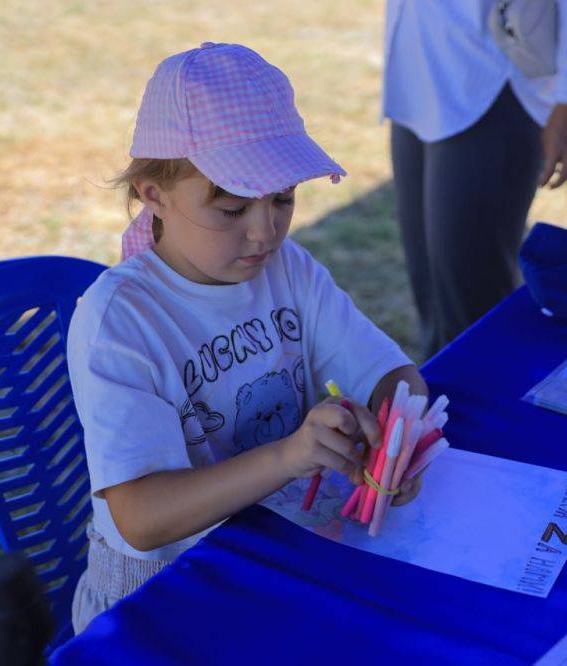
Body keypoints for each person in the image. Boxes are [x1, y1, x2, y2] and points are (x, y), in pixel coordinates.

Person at [67, 43, 427, 633]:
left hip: (274, 546)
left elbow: (393, 376)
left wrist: (395, 437)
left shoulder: (290, 270)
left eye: (283, 198)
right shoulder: (122, 321)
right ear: (154, 195)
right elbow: (141, 517)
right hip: (163, 592)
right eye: (232, 208)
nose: (265, 231)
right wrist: (287, 456)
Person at [384, 0, 567, 359]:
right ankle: (441, 408)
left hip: (491, 86)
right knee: (432, 296)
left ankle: (477, 411)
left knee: (472, 305)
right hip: (418, 79)